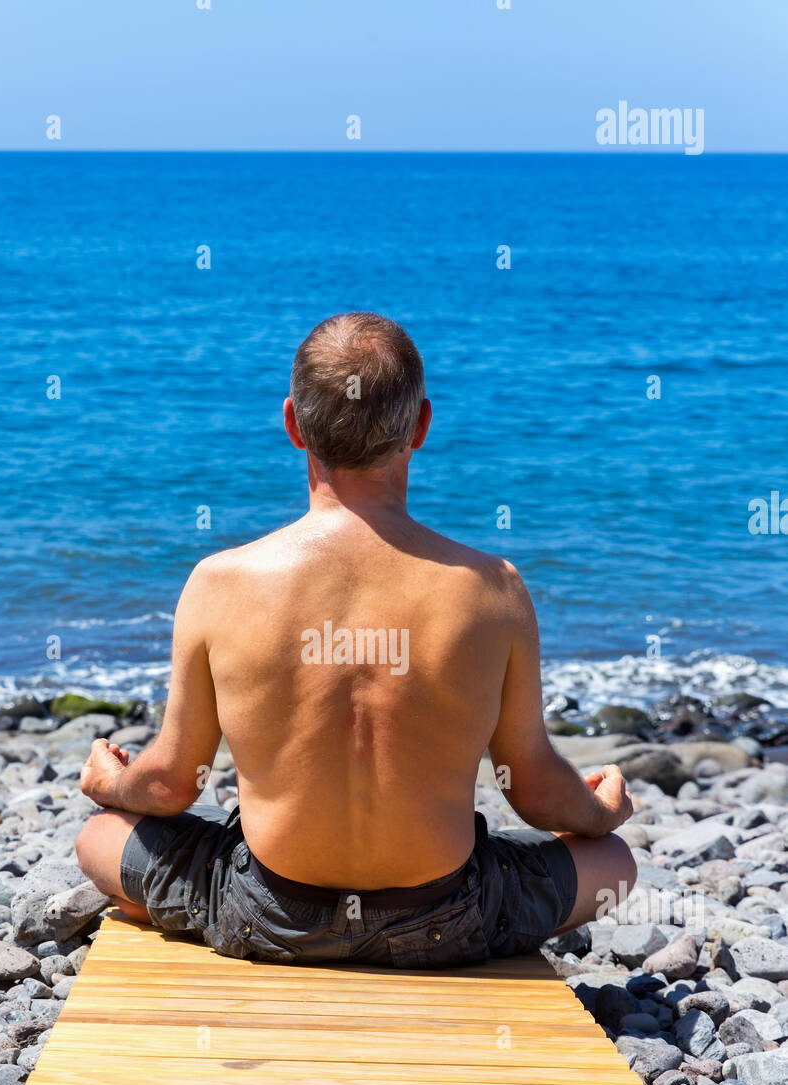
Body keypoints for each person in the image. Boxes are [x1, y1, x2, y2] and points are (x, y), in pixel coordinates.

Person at [76, 312, 635, 968]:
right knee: (614, 863)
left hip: (270, 913)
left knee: (100, 836)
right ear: (421, 425)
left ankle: (205, 917)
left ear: (293, 424)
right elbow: (535, 792)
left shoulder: (219, 583)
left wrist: (114, 783)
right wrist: (599, 813)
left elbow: (172, 786)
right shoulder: (494, 588)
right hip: (447, 916)